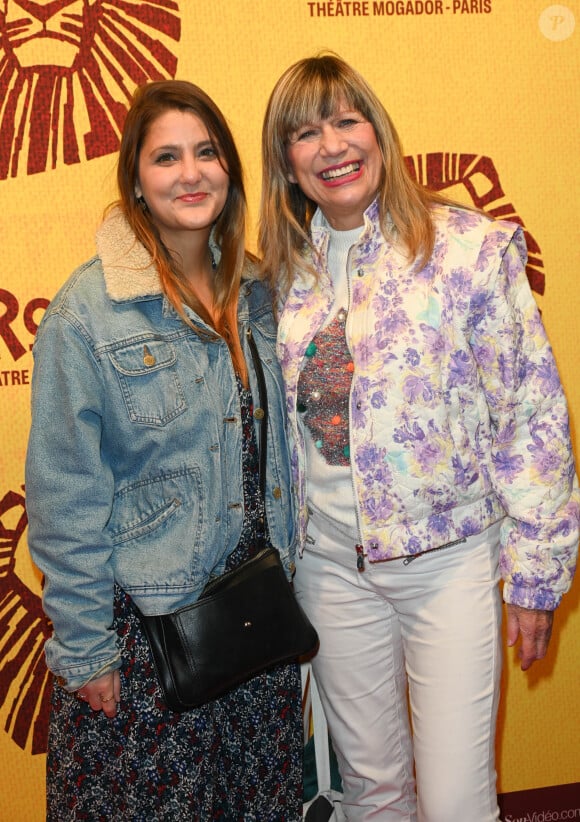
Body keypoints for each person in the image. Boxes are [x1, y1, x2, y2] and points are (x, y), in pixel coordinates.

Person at [258, 54, 579, 821]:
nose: (331, 145)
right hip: (331, 574)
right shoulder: (279, 275)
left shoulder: (468, 250)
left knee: (457, 803)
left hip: (448, 569)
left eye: (346, 120)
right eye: (305, 134)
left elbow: (530, 414)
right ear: (288, 166)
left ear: (378, 131)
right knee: (372, 793)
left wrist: (536, 573)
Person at [26, 79, 302, 821]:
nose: (191, 173)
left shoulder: (262, 295)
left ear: (230, 168)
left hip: (256, 634)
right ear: (137, 182)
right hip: (146, 643)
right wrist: (86, 650)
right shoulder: (86, 315)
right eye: (166, 157)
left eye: (207, 152)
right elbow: (63, 498)